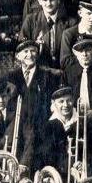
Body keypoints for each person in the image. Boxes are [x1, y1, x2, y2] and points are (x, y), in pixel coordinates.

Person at [5, 39, 61, 170]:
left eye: (33, 51)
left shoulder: (48, 76)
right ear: (18, 56)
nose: (30, 54)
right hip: (18, 133)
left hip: (42, 132)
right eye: (25, 51)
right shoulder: (10, 77)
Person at [19, 0, 77, 70]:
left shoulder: (71, 22)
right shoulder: (30, 20)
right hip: (39, 71)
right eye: (45, 0)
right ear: (39, 1)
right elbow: (21, 48)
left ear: (58, 0)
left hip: (64, 71)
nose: (48, 3)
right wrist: (35, 47)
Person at [61, 34, 92, 112]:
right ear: (75, 52)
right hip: (74, 115)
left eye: (88, 50)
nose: (84, 54)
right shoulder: (68, 72)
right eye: (81, 51)